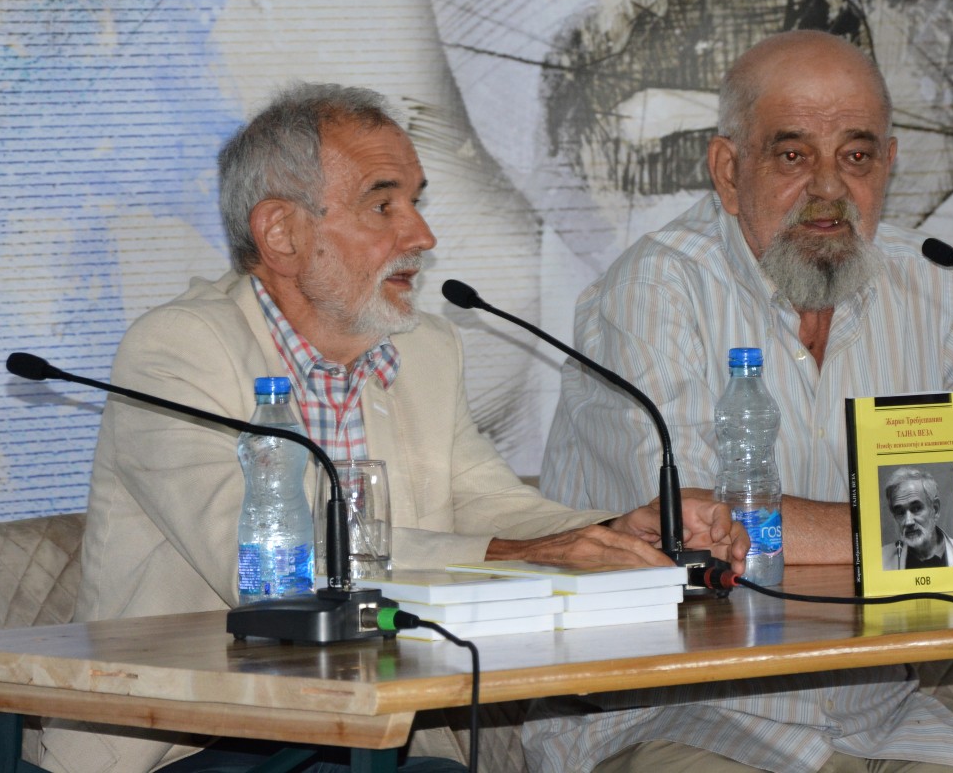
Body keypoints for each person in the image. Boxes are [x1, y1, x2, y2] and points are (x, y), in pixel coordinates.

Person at [38, 83, 746, 773]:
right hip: (201, 738)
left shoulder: (425, 349)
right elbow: (267, 570)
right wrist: (534, 552)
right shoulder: (179, 350)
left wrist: (618, 532)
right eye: (383, 204)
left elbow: (487, 503)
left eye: (416, 201)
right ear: (281, 232)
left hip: (384, 729)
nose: (422, 235)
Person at [530, 31, 953, 773]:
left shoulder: (935, 283)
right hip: (676, 714)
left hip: (878, 717)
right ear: (728, 170)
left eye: (856, 155)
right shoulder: (654, 290)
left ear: (889, 164)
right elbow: (702, 522)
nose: (829, 188)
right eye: (792, 155)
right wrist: (952, 522)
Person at [882, 468, 953, 569]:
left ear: (935, 509)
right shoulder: (882, 559)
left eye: (916, 509)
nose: (908, 522)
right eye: (900, 512)